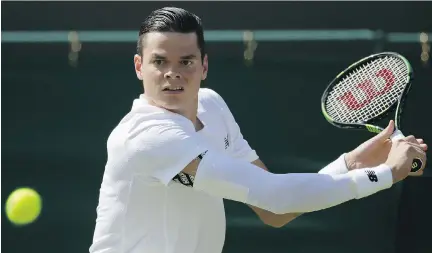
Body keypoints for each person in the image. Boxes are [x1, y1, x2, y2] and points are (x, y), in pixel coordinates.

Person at [89, 6, 428, 253]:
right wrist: (385, 174)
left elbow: (272, 210)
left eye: (186, 61)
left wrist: (350, 165)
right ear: (139, 67)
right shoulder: (148, 137)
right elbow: (276, 198)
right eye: (159, 62)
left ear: (204, 65)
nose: (172, 73)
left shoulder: (212, 106)